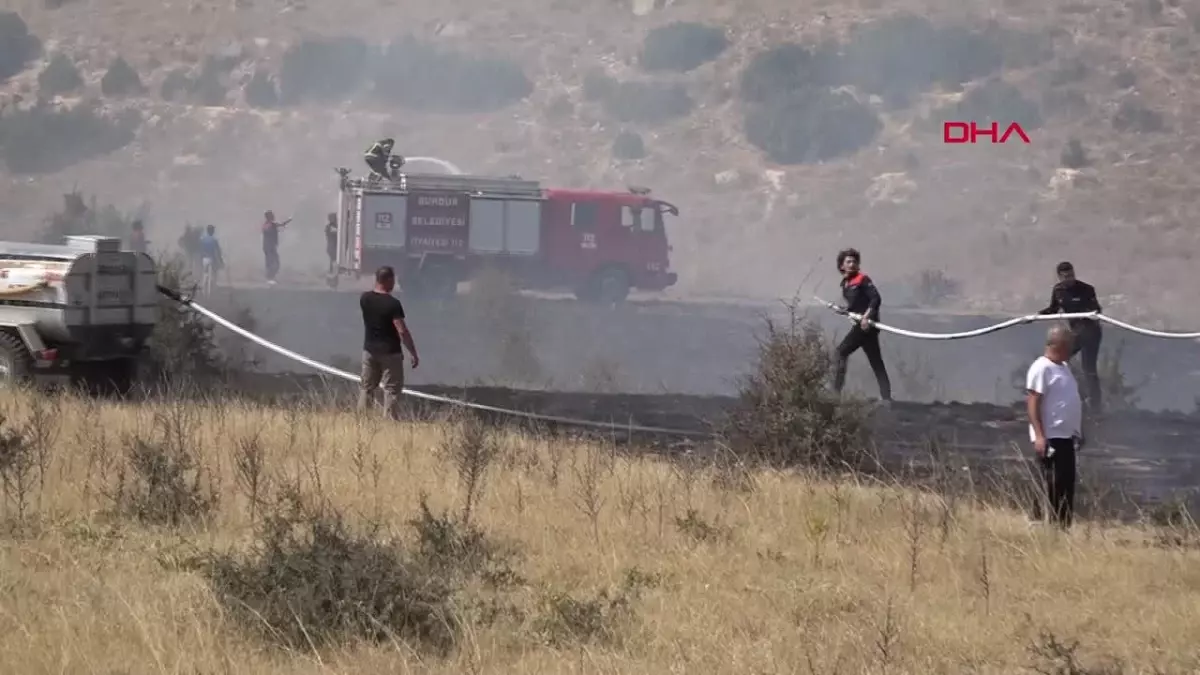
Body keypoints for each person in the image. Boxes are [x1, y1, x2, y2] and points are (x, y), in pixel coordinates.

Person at [1025, 323, 1084, 529]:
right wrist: (1040, 435)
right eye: (1069, 345)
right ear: (1058, 345)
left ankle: (1062, 528)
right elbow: (1033, 401)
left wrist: (1077, 430)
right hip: (1051, 438)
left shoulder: (1064, 368)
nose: (1071, 350)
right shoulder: (1041, 368)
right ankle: (1040, 524)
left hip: (1066, 437)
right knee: (1049, 483)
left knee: (1066, 486)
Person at [1037, 261, 1103, 412]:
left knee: (1089, 368)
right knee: (1056, 359)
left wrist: (1090, 313)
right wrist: (1037, 316)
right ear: (1060, 277)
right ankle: (1060, 395)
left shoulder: (1086, 289)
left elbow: (1097, 309)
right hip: (1075, 333)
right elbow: (1054, 309)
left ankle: (1096, 406)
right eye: (1066, 276)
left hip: (1091, 333)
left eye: (1071, 275)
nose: (1069, 279)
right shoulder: (1058, 290)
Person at [832, 247, 892, 401]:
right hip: (861, 325)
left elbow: (876, 299)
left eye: (854, 261)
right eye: (848, 261)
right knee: (876, 362)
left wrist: (866, 317)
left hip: (867, 326)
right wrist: (844, 310)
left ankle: (835, 395)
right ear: (842, 266)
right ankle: (887, 399)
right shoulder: (845, 284)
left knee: (840, 353)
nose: (852, 264)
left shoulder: (863, 279)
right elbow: (855, 305)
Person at [359, 266, 419, 420]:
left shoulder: (365, 299)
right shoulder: (393, 304)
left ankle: (361, 421)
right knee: (391, 390)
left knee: (367, 388)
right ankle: (389, 422)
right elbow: (402, 330)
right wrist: (412, 352)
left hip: (369, 350)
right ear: (388, 280)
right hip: (390, 353)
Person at [261, 210, 291, 285]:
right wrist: (289, 220)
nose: (274, 216)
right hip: (269, 247)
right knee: (273, 263)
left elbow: (279, 225)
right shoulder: (269, 224)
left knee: (273, 263)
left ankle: (271, 278)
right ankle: (270, 278)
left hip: (269, 247)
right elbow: (281, 224)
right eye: (272, 215)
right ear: (269, 217)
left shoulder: (267, 224)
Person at [198, 224, 224, 297]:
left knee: (205, 275)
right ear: (212, 231)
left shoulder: (203, 239)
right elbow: (218, 251)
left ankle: (203, 291)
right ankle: (210, 292)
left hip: (204, 259)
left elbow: (200, 250)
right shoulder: (214, 240)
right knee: (213, 274)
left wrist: (200, 259)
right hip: (211, 259)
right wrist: (221, 260)